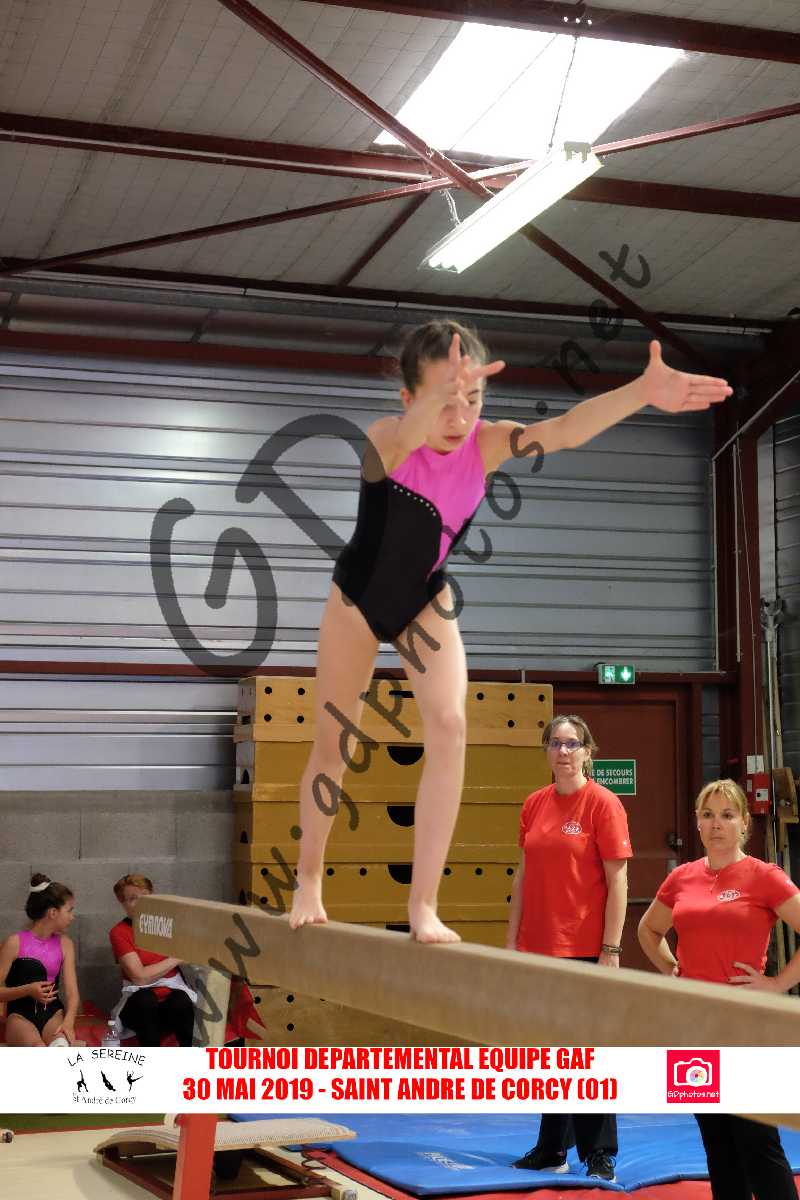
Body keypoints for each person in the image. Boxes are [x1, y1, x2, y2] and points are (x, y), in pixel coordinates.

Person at [289, 319, 731, 944]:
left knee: (451, 726)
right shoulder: (386, 438)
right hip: (356, 600)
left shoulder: (489, 443)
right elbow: (410, 436)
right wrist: (438, 397)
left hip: (424, 599)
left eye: (472, 399)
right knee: (335, 742)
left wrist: (641, 391)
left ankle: (424, 904)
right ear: (409, 398)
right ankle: (308, 880)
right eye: (444, 400)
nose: (460, 416)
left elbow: (565, 430)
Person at [638, 778, 800, 1200]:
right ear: (697, 822)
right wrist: (672, 970)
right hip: (693, 1025)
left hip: (745, 1025)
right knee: (718, 1145)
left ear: (744, 822)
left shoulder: (764, 876)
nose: (716, 824)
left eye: (727, 815)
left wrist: (777, 984)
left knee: (758, 1143)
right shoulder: (682, 878)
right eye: (708, 815)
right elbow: (649, 930)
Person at [506, 714, 632, 1183]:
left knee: (588, 1052)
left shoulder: (603, 804)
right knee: (549, 1053)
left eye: (572, 743)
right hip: (537, 946)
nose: (563, 751)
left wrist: (611, 948)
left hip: (585, 947)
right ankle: (551, 1147)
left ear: (587, 751)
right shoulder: (534, 804)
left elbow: (619, 882)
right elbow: (523, 876)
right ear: (546, 751)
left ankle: (599, 1153)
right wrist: (511, 942)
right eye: (555, 743)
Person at [109, 874, 196, 1047]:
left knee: (181, 1000)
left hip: (170, 1002)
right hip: (139, 1005)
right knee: (145, 999)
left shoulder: (167, 925)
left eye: (145, 897)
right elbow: (140, 977)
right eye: (133, 899)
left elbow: (192, 955)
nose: (141, 903)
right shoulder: (120, 932)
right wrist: (175, 958)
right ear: (122, 903)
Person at [0, 873, 79, 1046]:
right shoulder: (14, 943)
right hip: (20, 1016)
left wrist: (68, 1023)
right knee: (38, 1049)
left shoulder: (66, 944)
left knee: (61, 1046)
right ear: (53, 912)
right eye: (69, 910)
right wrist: (27, 990)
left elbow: (72, 993)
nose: (72, 916)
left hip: (52, 1014)